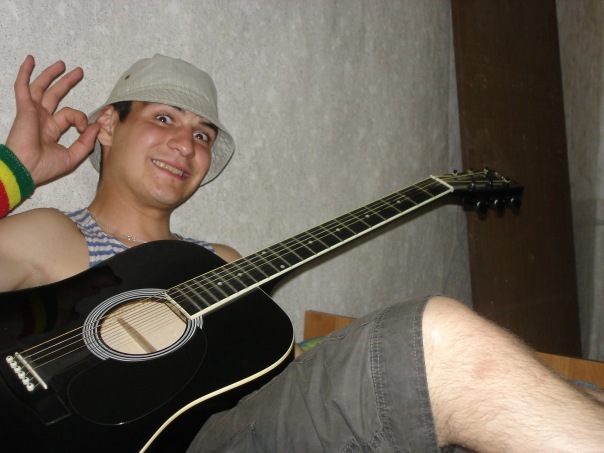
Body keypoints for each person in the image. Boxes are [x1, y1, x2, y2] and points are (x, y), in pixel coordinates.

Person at [0, 54, 603, 453]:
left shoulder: (223, 264)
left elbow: (272, 390)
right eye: (164, 118)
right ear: (108, 126)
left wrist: (325, 353)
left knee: (469, 363)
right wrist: (16, 171)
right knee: (442, 340)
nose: (186, 144)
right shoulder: (55, 235)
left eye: (203, 135)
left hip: (215, 437)